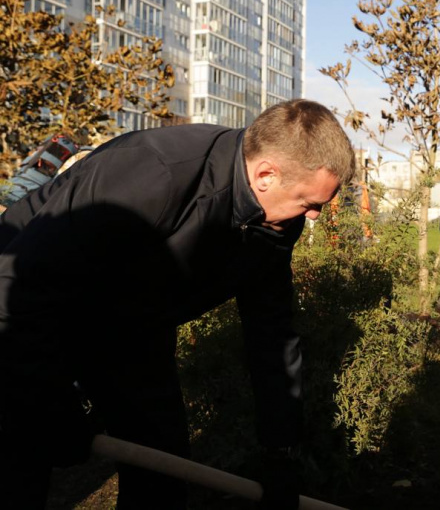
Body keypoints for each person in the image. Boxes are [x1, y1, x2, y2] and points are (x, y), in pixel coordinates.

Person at [0, 99, 356, 509]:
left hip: (131, 324)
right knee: (22, 456)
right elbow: (22, 286)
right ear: (266, 175)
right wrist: (47, 397)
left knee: (161, 471)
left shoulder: (277, 224)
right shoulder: (156, 173)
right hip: (24, 303)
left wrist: (281, 451)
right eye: (309, 203)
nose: (313, 217)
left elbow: (271, 334)